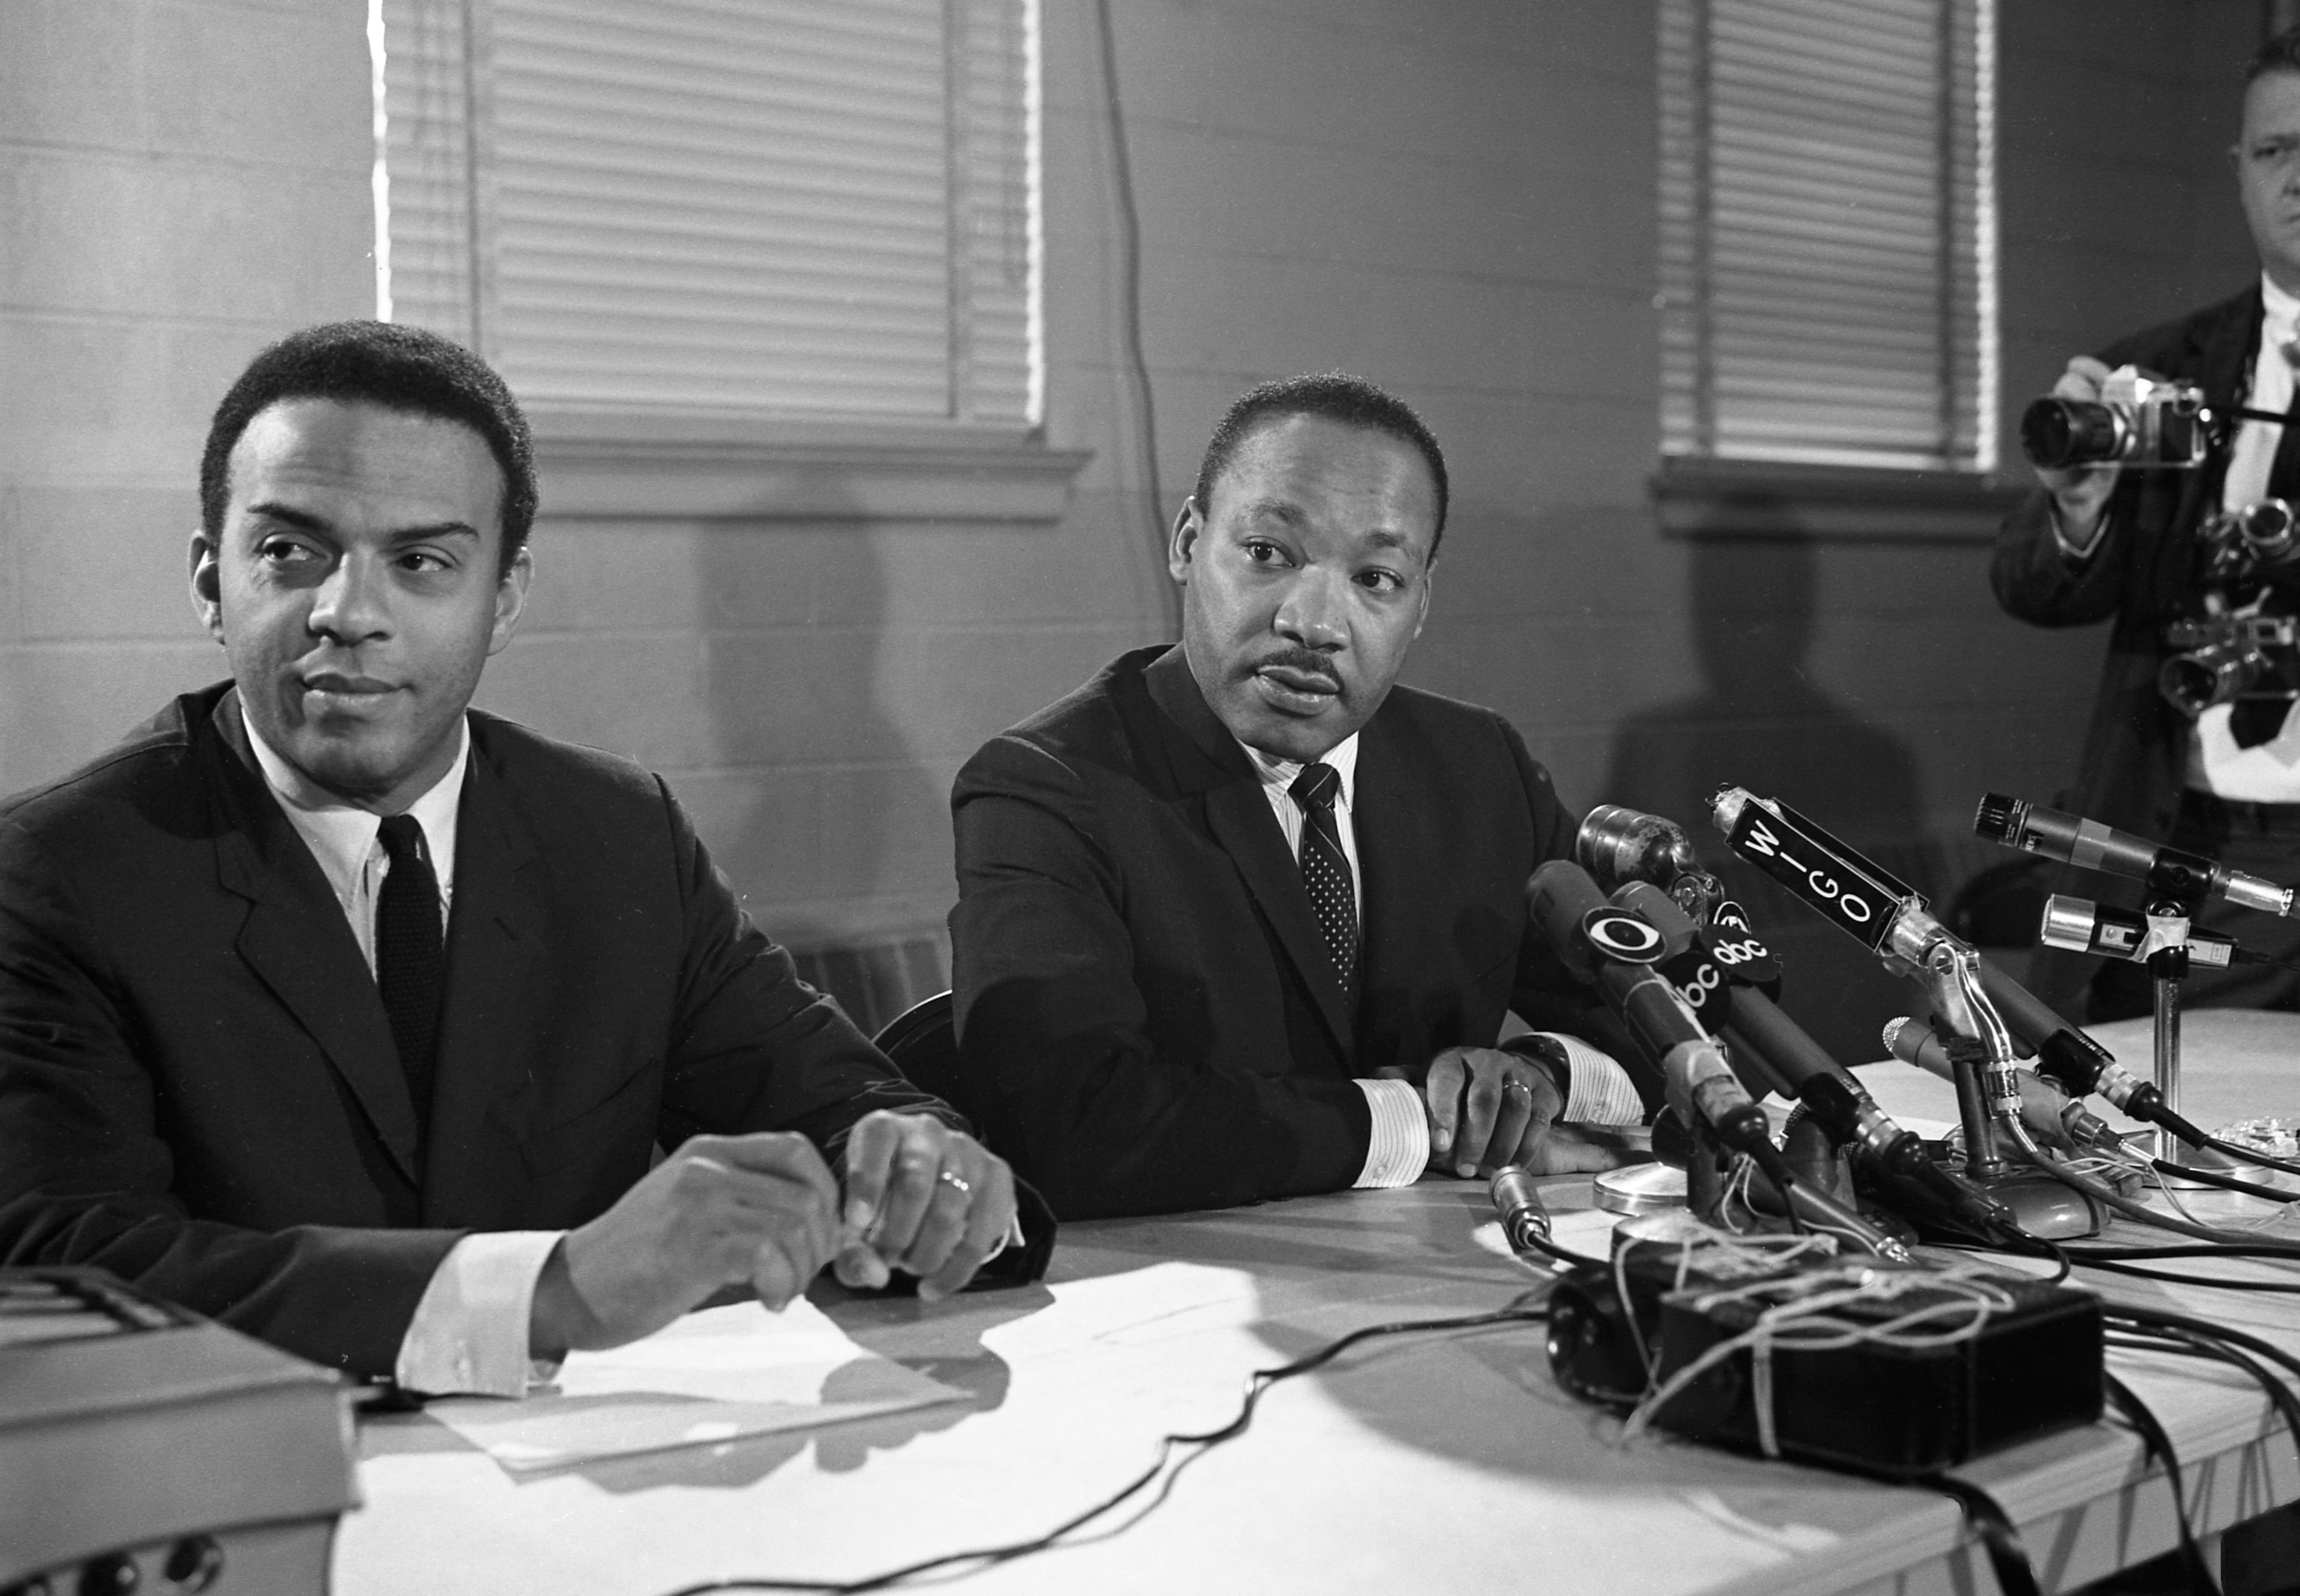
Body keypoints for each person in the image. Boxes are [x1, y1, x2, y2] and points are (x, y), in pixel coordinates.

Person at [0, 321, 1041, 1394]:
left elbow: (840, 1106)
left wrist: (931, 1178)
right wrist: (548, 1290)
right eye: (288, 550)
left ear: (503, 597)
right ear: (210, 579)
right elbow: (64, 1276)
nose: (347, 613)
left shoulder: (620, 834)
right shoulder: (56, 873)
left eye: (421, 561)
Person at [948, 373, 1651, 1221]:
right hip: (1178, 1305)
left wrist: (1536, 1076)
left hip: (1442, 1278)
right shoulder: (1046, 787)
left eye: (1377, 578)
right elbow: (1066, 1123)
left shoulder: (1479, 767)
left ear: (1421, 603)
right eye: (1268, 554)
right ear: (1186, 542)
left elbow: (1668, 1031)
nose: (1316, 622)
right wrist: (1410, 1124)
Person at [1995, 28, 2300, 1022]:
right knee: (2177, 1136)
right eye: (2274, 150)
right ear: (2239, 172)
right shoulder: (2164, 372)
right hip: (2210, 845)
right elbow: (2033, 585)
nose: (2297, 177)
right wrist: (2077, 503)